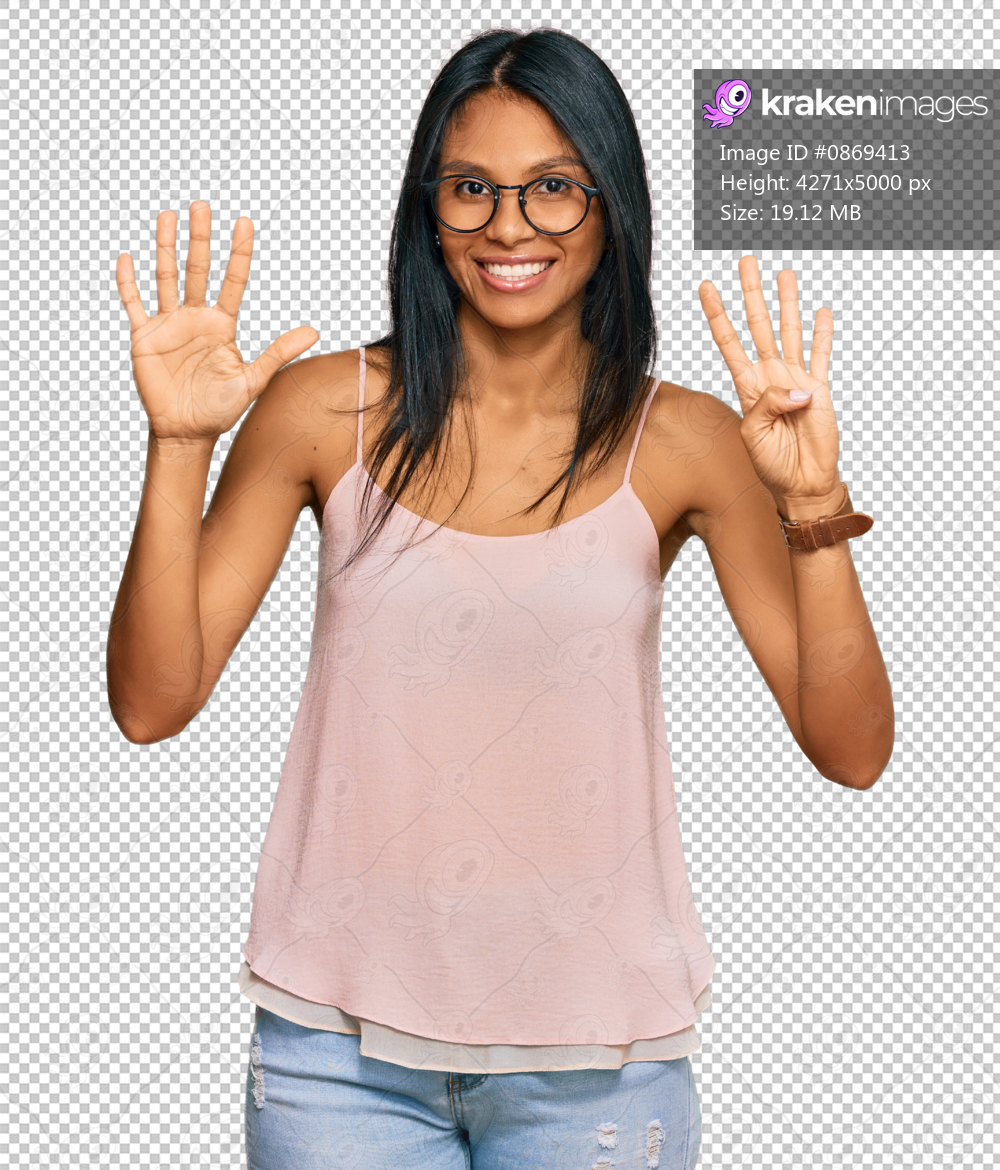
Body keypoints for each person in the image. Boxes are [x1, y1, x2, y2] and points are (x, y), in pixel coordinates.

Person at [108, 27, 894, 1170]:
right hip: (339, 1059)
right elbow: (151, 702)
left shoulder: (684, 441)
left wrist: (815, 510)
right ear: (428, 205)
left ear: (610, 204)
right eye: (471, 187)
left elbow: (852, 749)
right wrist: (177, 445)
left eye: (552, 191)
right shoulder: (323, 411)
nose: (508, 227)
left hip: (599, 1061)